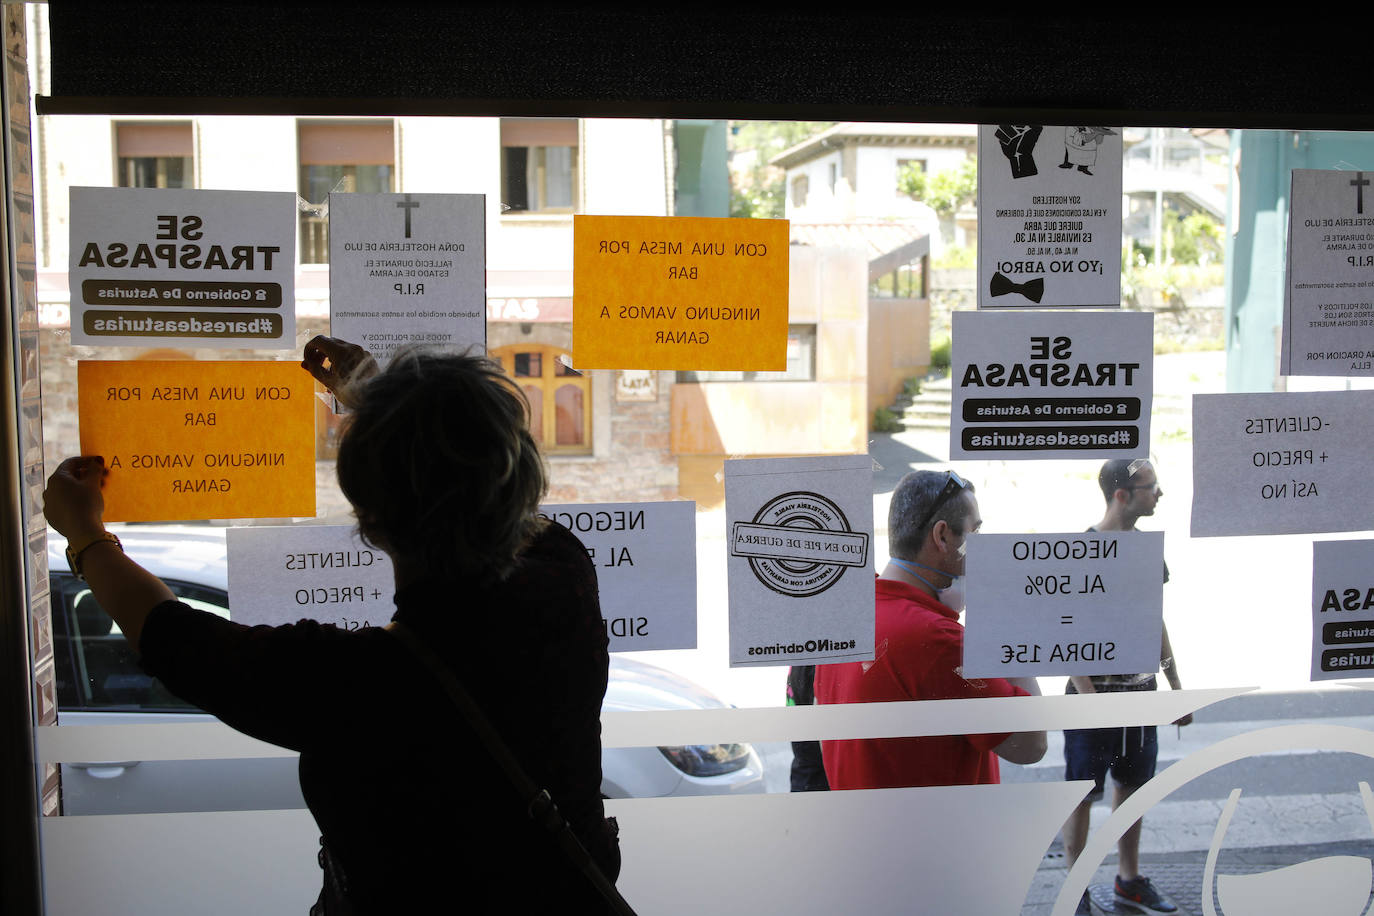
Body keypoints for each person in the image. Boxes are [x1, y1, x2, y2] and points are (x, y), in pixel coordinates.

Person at [43, 336, 623, 914]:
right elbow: (478, 484)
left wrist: (86, 535)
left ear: (369, 522)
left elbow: (176, 640)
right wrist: (383, 403)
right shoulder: (563, 578)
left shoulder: (361, 683)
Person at [814, 470, 1046, 788]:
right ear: (942, 536)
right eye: (974, 533)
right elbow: (1031, 743)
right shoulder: (934, 638)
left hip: (870, 832)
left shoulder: (847, 618)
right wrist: (1001, 619)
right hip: (937, 835)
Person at [1062, 458, 1186, 916]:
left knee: (1132, 786)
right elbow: (1065, 628)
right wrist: (1090, 698)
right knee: (1081, 793)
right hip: (1092, 696)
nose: (1159, 494)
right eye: (1151, 487)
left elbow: (1155, 621)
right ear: (1122, 495)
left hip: (1138, 692)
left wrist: (1175, 687)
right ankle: (1076, 891)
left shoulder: (1148, 551)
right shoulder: (1082, 549)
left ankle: (1128, 880)